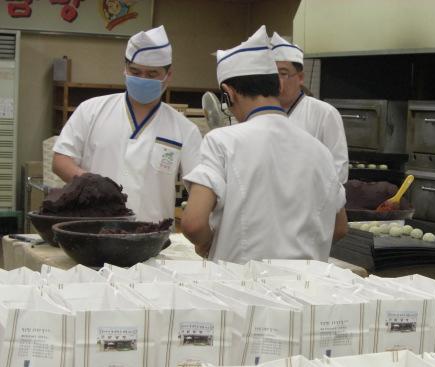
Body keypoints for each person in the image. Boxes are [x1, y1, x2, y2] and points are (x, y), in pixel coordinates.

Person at [181, 26, 348, 263]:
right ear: (277, 86)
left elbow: (193, 223)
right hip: (305, 283)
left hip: (240, 282)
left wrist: (208, 243)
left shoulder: (221, 141)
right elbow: (340, 227)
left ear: (229, 93)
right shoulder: (320, 151)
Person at [52, 25, 202, 222]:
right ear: (124, 69)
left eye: (152, 74)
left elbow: (199, 186)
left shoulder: (184, 129)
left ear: (168, 75)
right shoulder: (91, 110)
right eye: (135, 71)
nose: (142, 79)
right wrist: (91, 183)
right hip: (93, 228)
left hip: (152, 231)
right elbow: (61, 160)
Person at [270, 32, 349, 184]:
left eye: (283, 74)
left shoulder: (325, 113)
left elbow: (339, 169)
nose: (276, 81)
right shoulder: (264, 113)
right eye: (272, 75)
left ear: (300, 78)